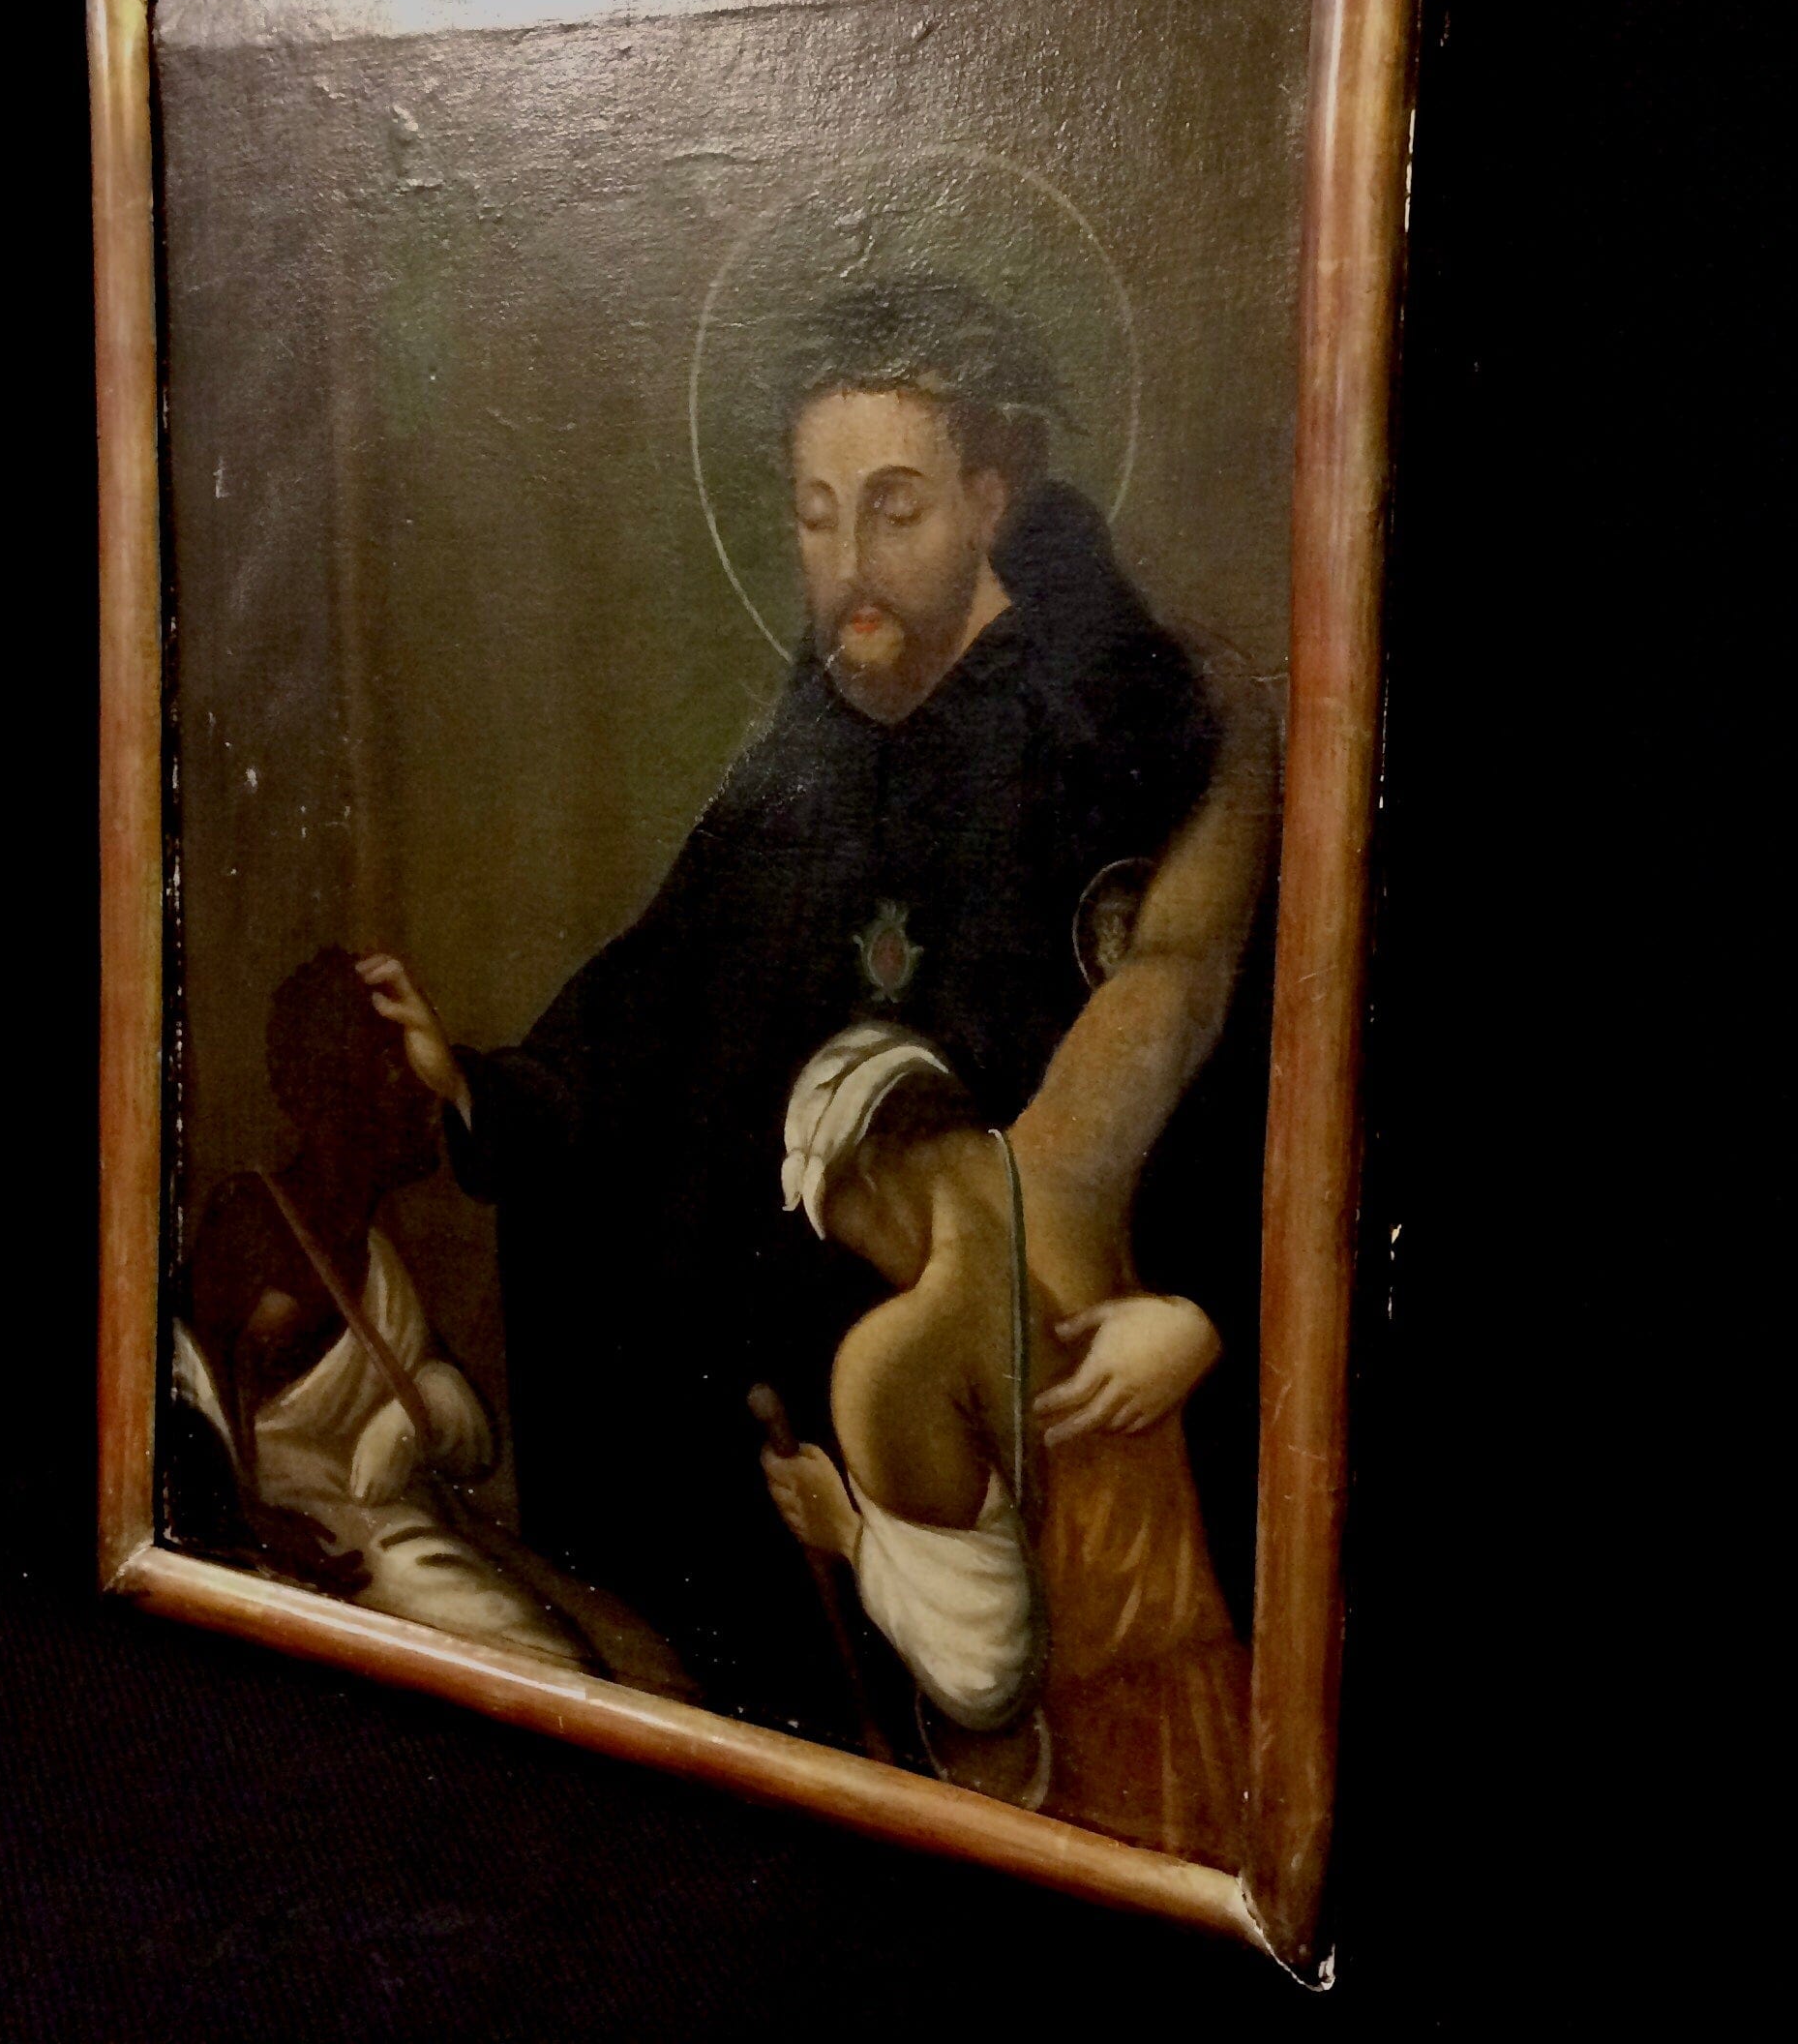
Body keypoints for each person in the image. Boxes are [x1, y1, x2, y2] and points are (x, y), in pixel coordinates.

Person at [360, 276, 1273, 1737]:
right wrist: (482, 1088)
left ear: (992, 497)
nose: (851, 562)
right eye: (815, 514)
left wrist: (1205, 1309)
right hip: (810, 1409)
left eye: (896, 510)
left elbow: (1214, 1056)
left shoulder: (1123, 730)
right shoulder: (822, 728)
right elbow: (660, 990)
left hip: (1031, 1391)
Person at [759, 722, 1270, 1865]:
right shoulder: (1076, 1148)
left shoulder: (892, 1362)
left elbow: (984, 1676)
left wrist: (851, 1538)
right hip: (1213, 1720)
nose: (855, 1254)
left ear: (860, 1180)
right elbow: (1182, 957)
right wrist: (1252, 725)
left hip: (1091, 1798)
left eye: (839, 1225)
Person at [172, 947, 686, 1693]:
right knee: (566, 1672)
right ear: (330, 1088)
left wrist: (421, 1414)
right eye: (393, 1066)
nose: (422, 1089)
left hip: (417, 1521)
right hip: (329, 1553)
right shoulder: (253, 1220)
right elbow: (187, 1399)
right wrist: (250, 1526)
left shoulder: (378, 1258)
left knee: (645, 1661)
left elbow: (475, 1444)